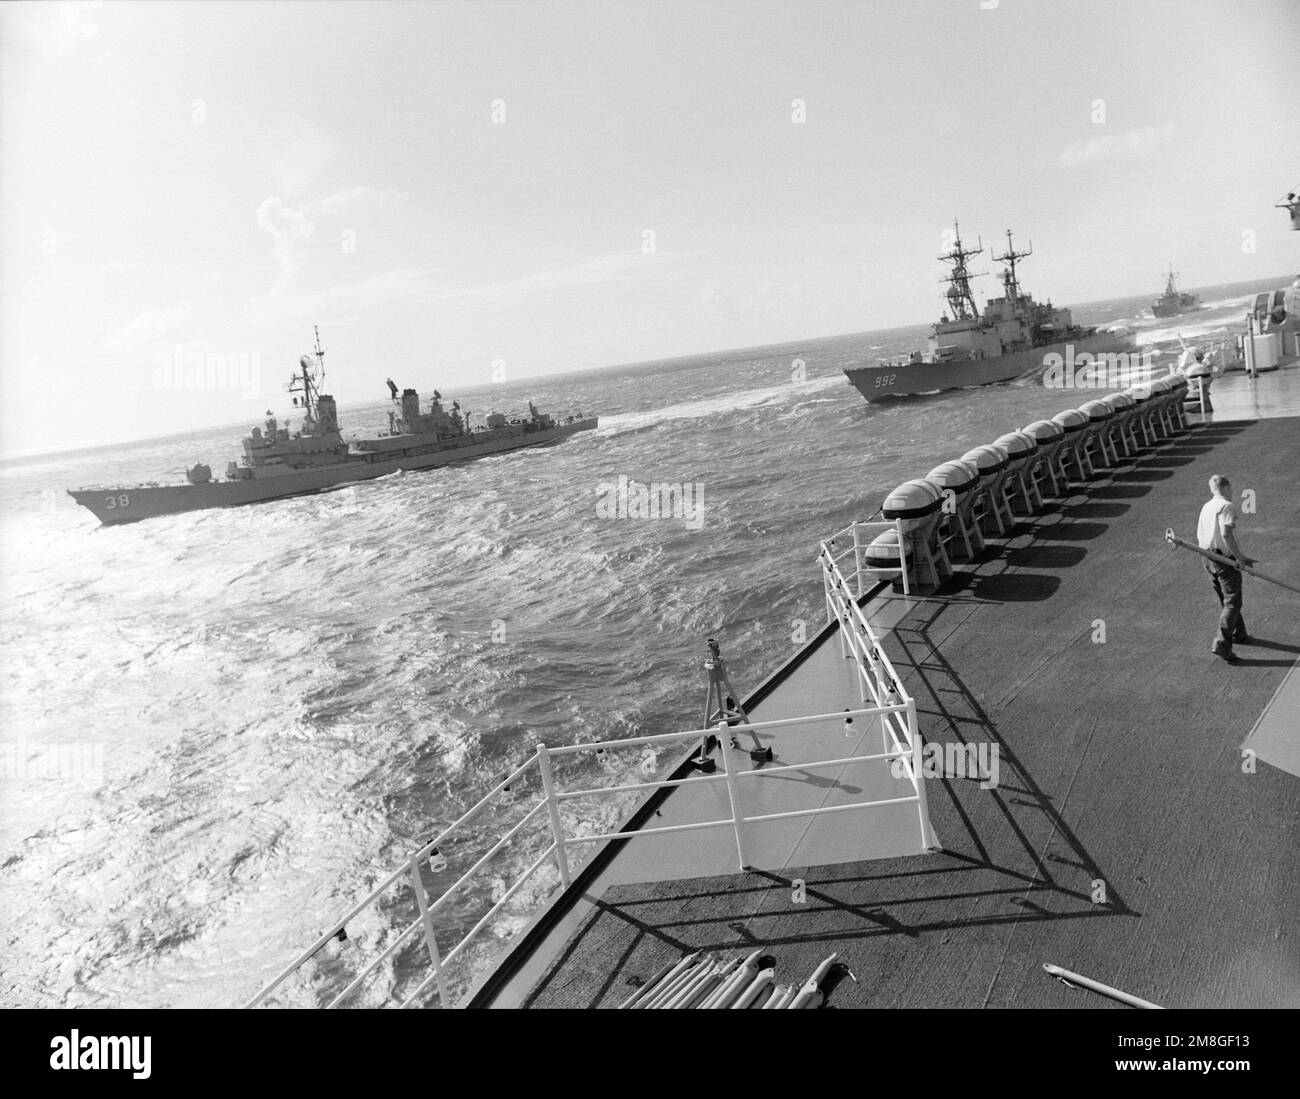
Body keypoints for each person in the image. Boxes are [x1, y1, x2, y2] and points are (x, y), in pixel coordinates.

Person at [1197, 475, 1254, 662]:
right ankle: (1222, 644)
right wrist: (1239, 558)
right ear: (1227, 487)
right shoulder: (1226, 506)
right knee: (1232, 602)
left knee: (1225, 599)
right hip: (1223, 559)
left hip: (1207, 557)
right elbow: (1226, 533)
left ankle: (1239, 633)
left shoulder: (1206, 506)